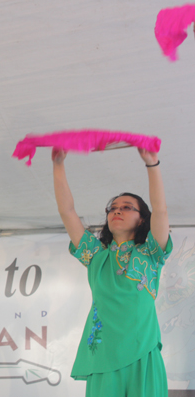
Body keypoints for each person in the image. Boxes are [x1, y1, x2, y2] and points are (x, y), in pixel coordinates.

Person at [52, 147, 172, 397]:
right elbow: (67, 212)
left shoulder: (150, 253)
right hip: (103, 360)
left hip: (143, 355)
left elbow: (160, 210)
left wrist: (152, 163)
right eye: (113, 208)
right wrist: (58, 165)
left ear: (142, 220)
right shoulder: (95, 256)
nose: (117, 210)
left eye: (127, 207)